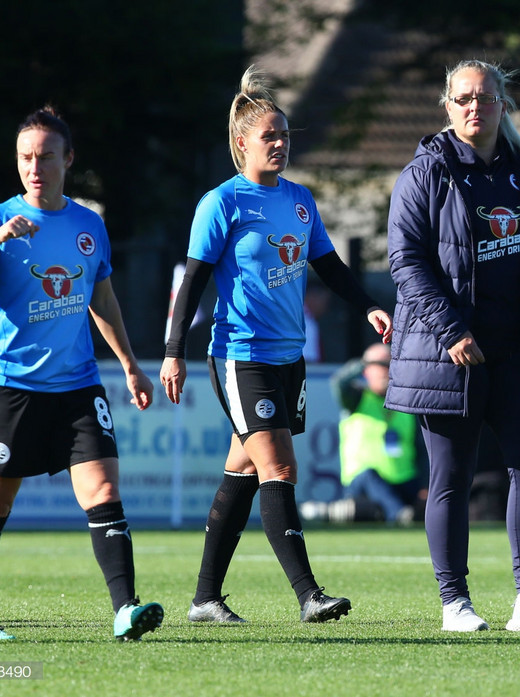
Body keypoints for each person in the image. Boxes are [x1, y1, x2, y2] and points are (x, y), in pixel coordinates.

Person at [160, 66, 392, 625]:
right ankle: (309, 594)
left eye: (286, 135)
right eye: (271, 136)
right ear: (242, 144)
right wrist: (173, 351)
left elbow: (329, 267)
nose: (282, 144)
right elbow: (191, 281)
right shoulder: (222, 203)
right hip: (241, 355)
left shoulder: (299, 200)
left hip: (290, 359)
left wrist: (367, 305)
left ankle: (205, 599)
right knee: (280, 467)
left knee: (242, 471)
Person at [0, 106, 163, 641]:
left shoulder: (89, 225)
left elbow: (102, 299)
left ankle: (125, 611)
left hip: (78, 386)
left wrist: (131, 366)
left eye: (46, 155)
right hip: (11, 387)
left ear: (68, 159)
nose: (35, 166)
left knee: (103, 490)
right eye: (26, 156)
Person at [386, 59, 520, 633]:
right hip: (449, 354)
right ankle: (455, 604)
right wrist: (453, 330)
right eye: (464, 98)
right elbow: (406, 261)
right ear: (447, 106)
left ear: (503, 106)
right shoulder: (424, 174)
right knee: (450, 479)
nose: (476, 107)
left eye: (486, 98)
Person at [301, 342, 423, 525]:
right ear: (366, 371)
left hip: (402, 480)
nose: (385, 372)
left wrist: (425, 486)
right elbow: (339, 382)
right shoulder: (357, 398)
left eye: (389, 366)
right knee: (369, 476)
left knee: (430, 500)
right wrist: (365, 362)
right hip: (362, 482)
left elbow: (420, 449)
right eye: (380, 367)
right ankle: (398, 514)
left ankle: (335, 512)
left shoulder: (406, 404)